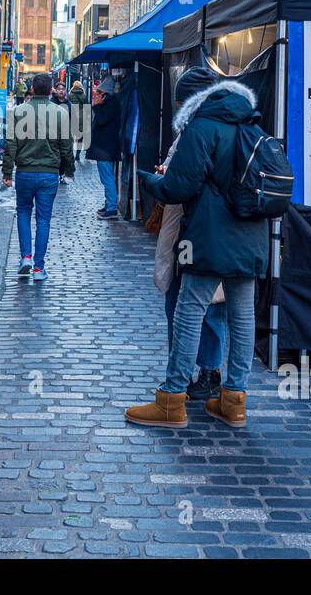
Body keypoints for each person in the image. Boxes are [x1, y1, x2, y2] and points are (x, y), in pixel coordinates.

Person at [128, 67, 268, 429]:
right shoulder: (252, 125)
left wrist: (152, 179)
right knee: (242, 315)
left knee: (188, 310)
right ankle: (234, 400)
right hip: (251, 236)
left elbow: (179, 187)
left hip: (209, 235)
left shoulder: (201, 127)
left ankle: (172, 399)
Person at [152, 71, 229, 401]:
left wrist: (170, 178)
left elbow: (207, 181)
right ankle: (184, 370)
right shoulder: (190, 131)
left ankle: (201, 375)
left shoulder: (214, 133)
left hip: (202, 233)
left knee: (206, 304)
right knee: (180, 297)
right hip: (188, 233)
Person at [2, 72, 75, 283]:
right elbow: (66, 147)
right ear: (51, 90)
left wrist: (7, 173)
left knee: (23, 213)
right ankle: (38, 268)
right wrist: (69, 170)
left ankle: (25, 256)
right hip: (49, 174)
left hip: (24, 172)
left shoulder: (18, 111)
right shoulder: (60, 113)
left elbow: (11, 145)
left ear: (32, 89)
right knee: (43, 219)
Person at [87, 78, 121, 220]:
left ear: (105, 94)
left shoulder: (110, 104)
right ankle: (109, 204)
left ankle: (112, 207)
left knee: (107, 178)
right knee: (107, 177)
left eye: (99, 92)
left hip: (105, 149)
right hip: (105, 148)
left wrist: (97, 106)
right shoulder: (111, 103)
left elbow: (102, 120)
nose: (96, 95)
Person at [68, 80, 88, 161]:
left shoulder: (69, 95)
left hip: (71, 116)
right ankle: (78, 154)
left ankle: (69, 153)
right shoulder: (83, 95)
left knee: (70, 136)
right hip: (81, 117)